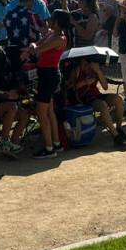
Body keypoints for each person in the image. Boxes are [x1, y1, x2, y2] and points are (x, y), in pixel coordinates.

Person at [29, 9, 71, 159]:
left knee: (42, 112)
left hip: (50, 76)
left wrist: (33, 47)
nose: (49, 20)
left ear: (58, 21)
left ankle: (49, 148)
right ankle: (56, 143)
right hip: (45, 74)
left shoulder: (59, 38)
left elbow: (38, 49)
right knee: (50, 111)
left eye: (52, 18)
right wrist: (34, 46)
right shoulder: (51, 34)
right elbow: (36, 44)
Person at [66, 58, 126, 148]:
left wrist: (98, 71)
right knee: (102, 105)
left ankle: (119, 128)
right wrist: (85, 82)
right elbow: (70, 88)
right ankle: (116, 136)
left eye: (89, 64)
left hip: (96, 95)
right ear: (80, 63)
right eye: (85, 64)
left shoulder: (94, 70)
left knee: (118, 99)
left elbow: (105, 87)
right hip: (83, 98)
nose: (87, 66)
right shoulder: (76, 70)